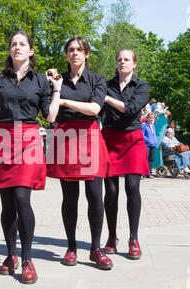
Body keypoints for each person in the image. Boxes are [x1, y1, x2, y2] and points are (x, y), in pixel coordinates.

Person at [0, 31, 61, 284]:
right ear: (9, 50)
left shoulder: (40, 81)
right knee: (7, 202)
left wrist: (57, 91)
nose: (17, 47)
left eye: (22, 44)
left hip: (29, 137)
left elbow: (51, 117)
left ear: (31, 51)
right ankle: (10, 255)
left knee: (22, 197)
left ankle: (26, 258)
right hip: (2, 136)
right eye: (13, 44)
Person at [46, 36, 112, 271]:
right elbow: (50, 114)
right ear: (66, 54)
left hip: (90, 136)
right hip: (64, 136)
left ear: (87, 54)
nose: (75, 53)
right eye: (71, 50)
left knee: (95, 195)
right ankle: (71, 247)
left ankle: (96, 248)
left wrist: (63, 100)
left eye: (79, 49)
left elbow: (95, 108)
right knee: (69, 197)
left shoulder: (97, 79)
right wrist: (56, 91)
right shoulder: (57, 80)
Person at [101, 49, 149, 260]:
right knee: (110, 192)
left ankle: (133, 238)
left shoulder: (141, 86)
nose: (122, 62)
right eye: (119, 59)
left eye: (126, 59)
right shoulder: (107, 85)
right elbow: (98, 110)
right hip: (110, 139)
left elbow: (130, 109)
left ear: (134, 64)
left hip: (133, 140)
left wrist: (106, 99)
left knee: (132, 187)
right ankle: (112, 236)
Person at [142, 112, 157, 178]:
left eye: (152, 118)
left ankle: (149, 173)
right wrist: (148, 140)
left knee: (151, 159)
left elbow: (154, 134)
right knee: (145, 158)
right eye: (150, 118)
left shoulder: (153, 125)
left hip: (153, 144)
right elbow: (142, 134)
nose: (151, 119)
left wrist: (155, 141)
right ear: (147, 118)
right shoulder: (144, 125)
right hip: (146, 144)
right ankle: (143, 173)